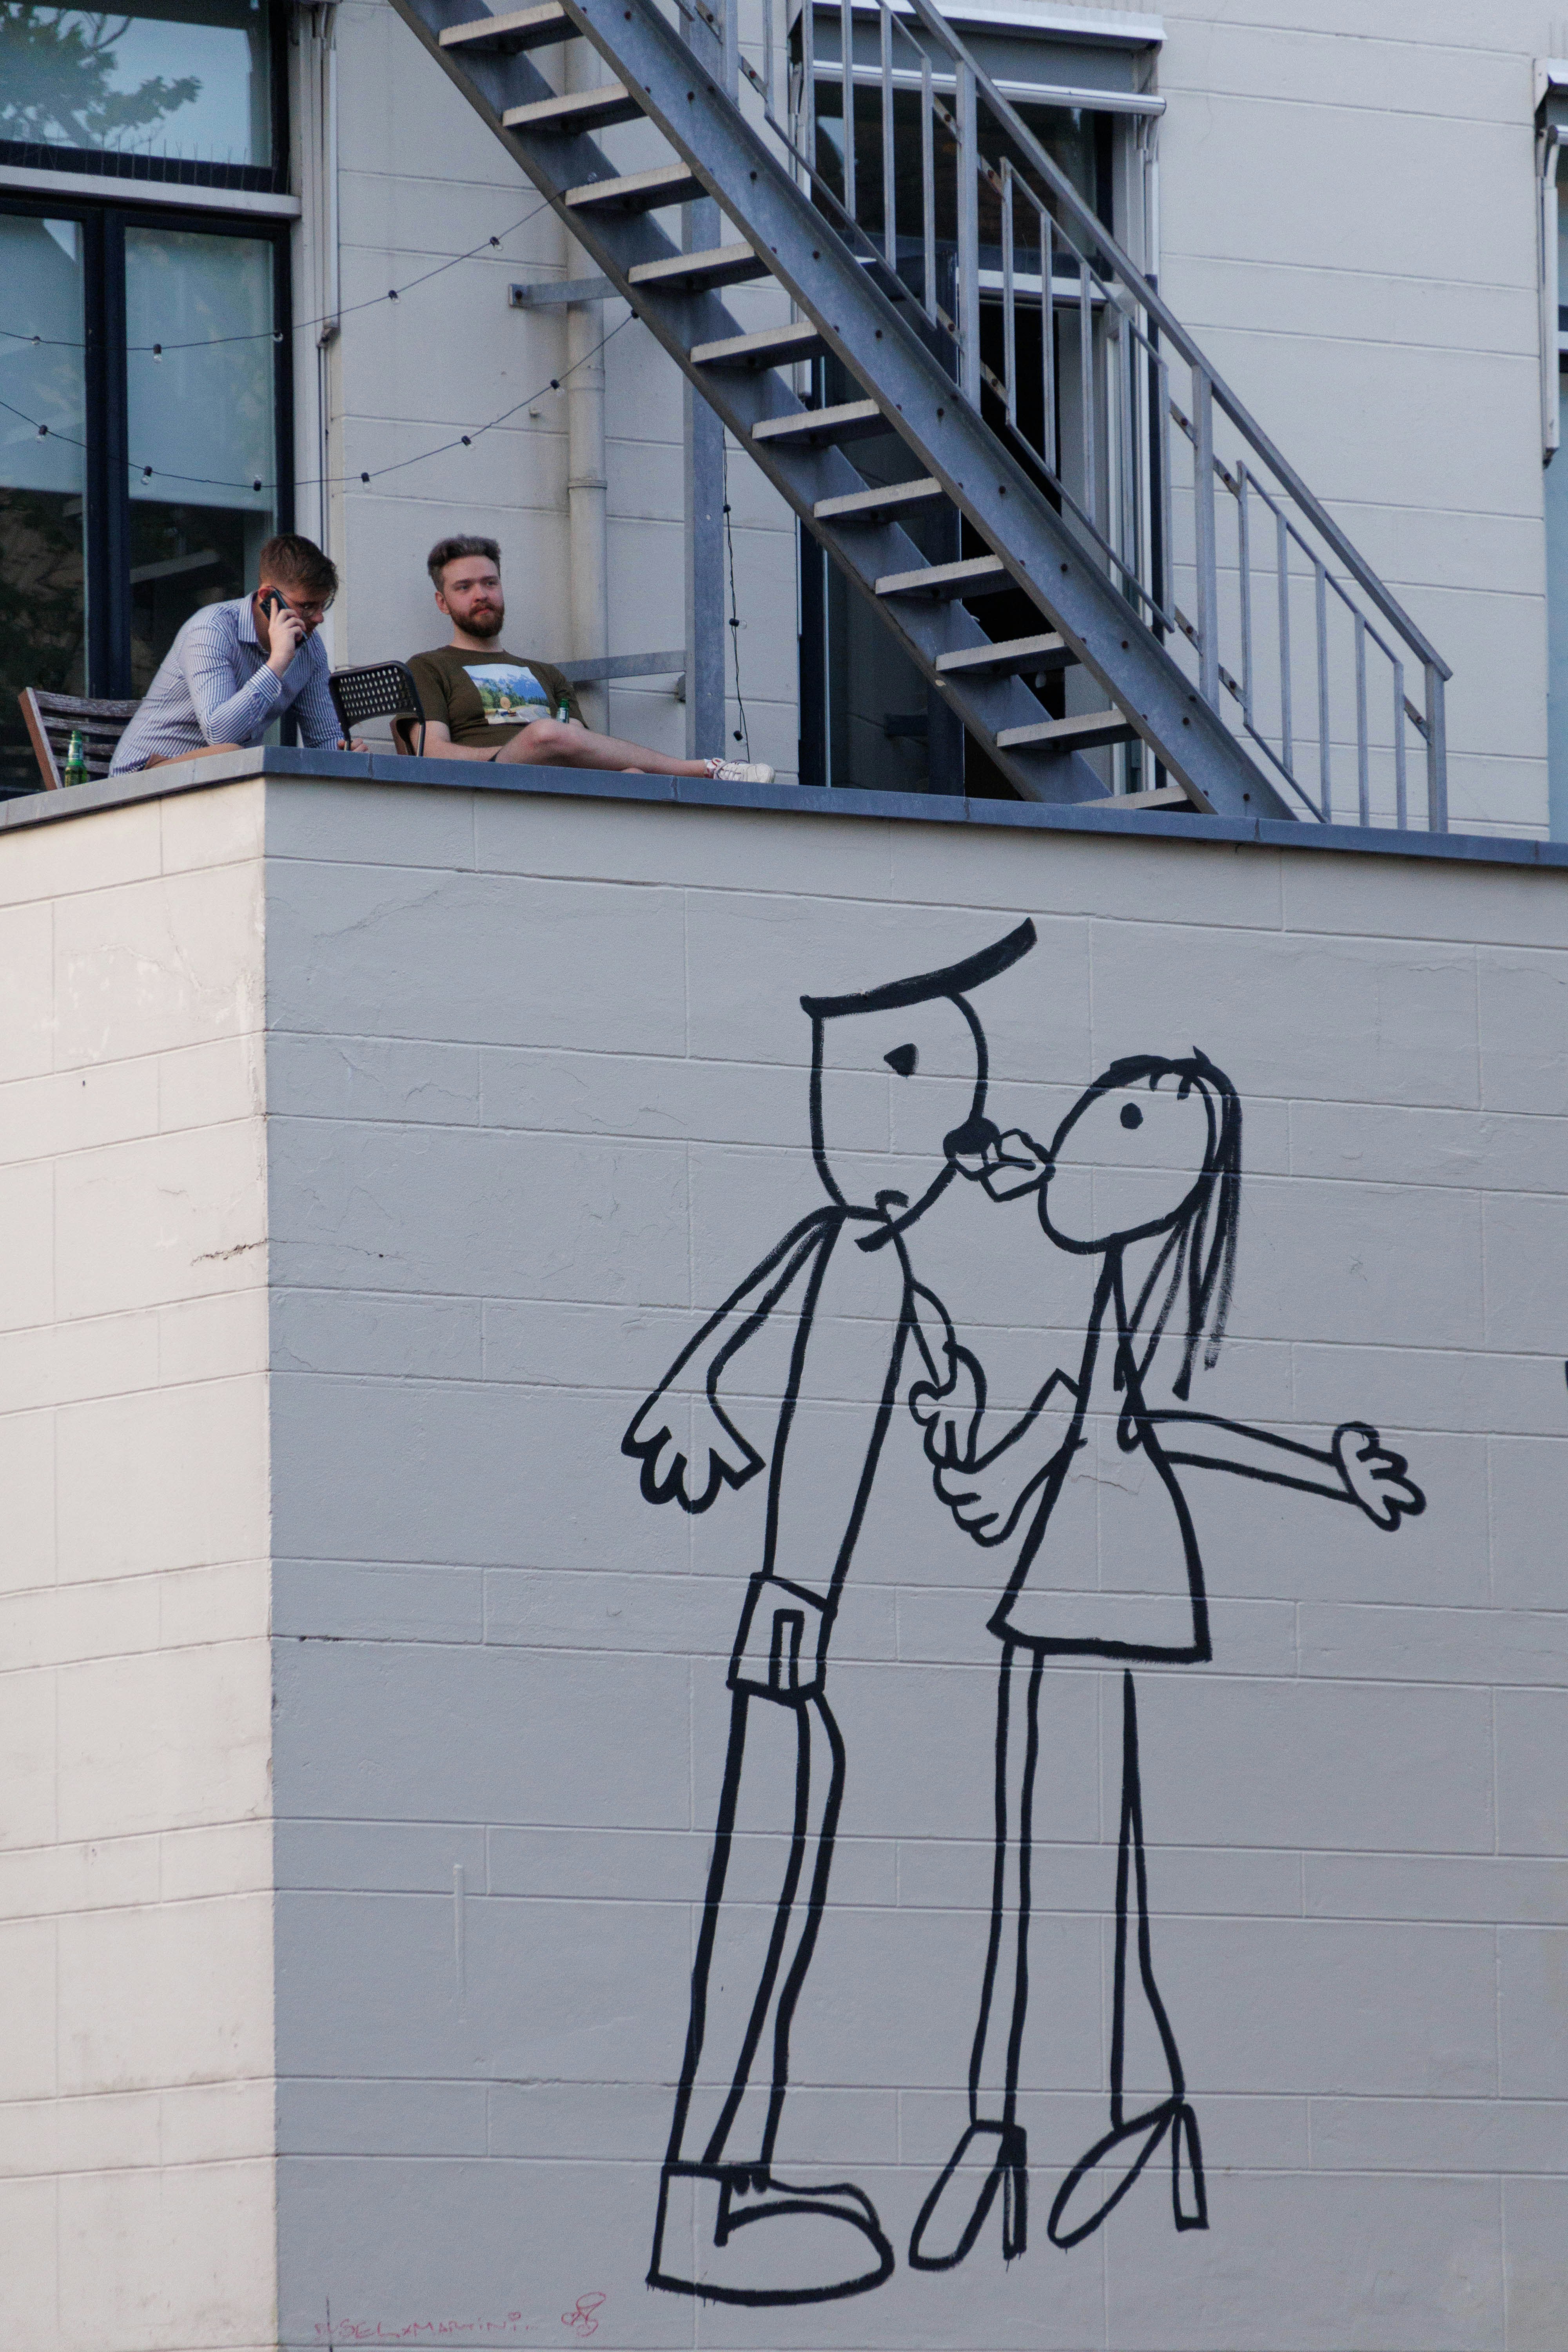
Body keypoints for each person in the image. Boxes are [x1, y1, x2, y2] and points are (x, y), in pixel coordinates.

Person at [907, 1054, 1425, 2270]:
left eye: (1148, 1129)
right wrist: (981, 1457)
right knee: (1067, 1866)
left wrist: (1323, 1471)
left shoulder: (1117, 1285)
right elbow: (1078, 1417)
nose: (1110, 1134)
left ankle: (1028, 2128)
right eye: (1114, 1108)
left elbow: (1116, 1427)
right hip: (1075, 1569)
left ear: (1182, 1184)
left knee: (1063, 1865)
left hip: (1106, 1575)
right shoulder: (1081, 1268)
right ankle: (1102, 2120)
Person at [622, 919, 1038, 2308]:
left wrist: (962, 1389)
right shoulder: (835, 1246)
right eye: (915, 1084)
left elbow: (928, 1372)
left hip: (807, 1628)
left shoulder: (887, 1266)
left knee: (792, 1868)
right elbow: (730, 1339)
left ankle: (739, 2171)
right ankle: (702, 2200)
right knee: (766, 1878)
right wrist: (690, 1407)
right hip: (785, 1623)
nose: (944, 1127)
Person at [407, 535, 775, 782]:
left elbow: (580, 744)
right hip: (493, 779)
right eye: (464, 587)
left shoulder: (545, 673)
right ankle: (703, 769)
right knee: (547, 732)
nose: (481, 595)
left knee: (630, 776)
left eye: (490, 583)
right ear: (443, 602)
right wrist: (519, 751)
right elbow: (429, 752)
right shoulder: (428, 667)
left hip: (560, 784)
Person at [111, 534, 365, 774]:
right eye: (307, 606)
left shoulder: (310, 646)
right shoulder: (211, 630)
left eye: (323, 605)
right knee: (233, 754)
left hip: (222, 778)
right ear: (268, 596)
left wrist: (344, 754)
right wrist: (277, 663)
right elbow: (221, 736)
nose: (319, 618)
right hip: (141, 777)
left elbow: (323, 739)